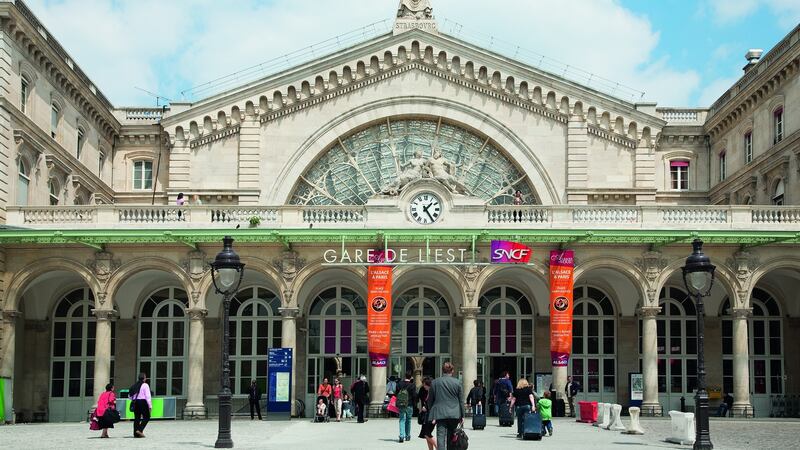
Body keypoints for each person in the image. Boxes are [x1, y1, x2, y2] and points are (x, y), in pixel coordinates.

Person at [428, 362, 464, 450]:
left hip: (440, 413)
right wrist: (462, 415)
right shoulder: (457, 382)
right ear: (452, 371)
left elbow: (430, 400)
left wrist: (432, 412)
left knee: (440, 437)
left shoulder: (435, 382)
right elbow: (461, 400)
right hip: (454, 413)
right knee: (452, 436)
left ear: (442, 371)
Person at [396, 371, 417, 443]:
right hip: (409, 404)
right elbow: (414, 396)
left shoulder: (399, 384)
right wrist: (415, 404)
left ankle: (401, 436)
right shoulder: (412, 385)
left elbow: (396, 394)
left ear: (405, 376)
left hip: (401, 404)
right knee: (408, 420)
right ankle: (407, 436)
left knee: (402, 419)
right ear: (411, 377)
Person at [129, 373, 152, 438]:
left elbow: (129, 396)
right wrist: (150, 406)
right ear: (144, 378)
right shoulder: (145, 385)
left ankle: (135, 433)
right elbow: (148, 396)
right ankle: (139, 430)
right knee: (147, 417)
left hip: (135, 402)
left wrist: (133, 399)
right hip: (142, 401)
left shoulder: (134, 385)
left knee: (137, 418)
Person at [417, 377, 436, 450]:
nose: (423, 386)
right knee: (426, 434)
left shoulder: (433, 392)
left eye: (425, 385)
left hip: (431, 416)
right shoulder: (427, 392)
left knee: (427, 434)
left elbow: (435, 405)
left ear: (428, 385)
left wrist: (435, 417)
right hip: (427, 416)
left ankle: (439, 448)